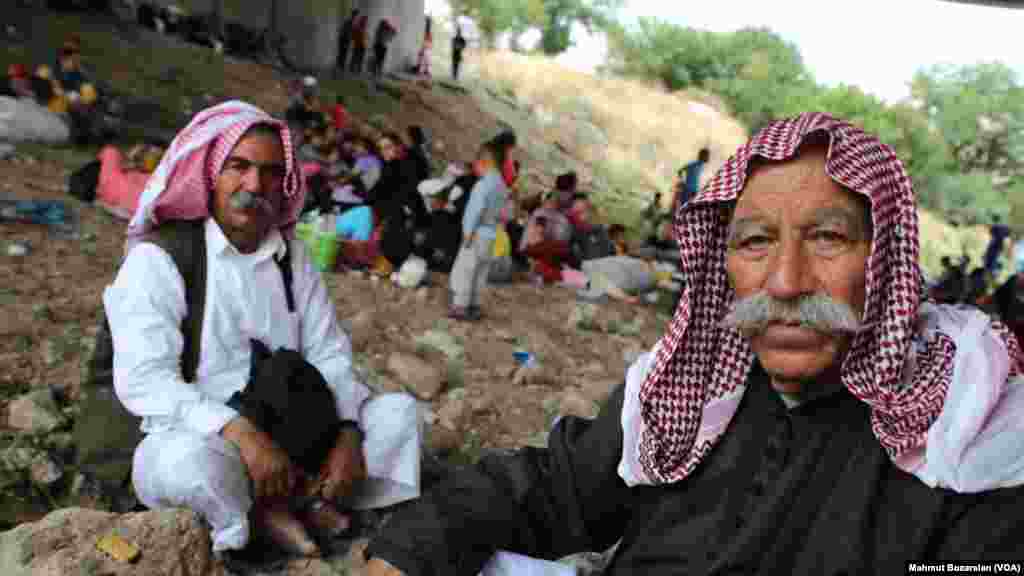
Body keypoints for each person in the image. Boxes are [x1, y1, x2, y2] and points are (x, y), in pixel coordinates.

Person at [362, 112, 1024, 575]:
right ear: (724, 264)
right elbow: (555, 487)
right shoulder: (697, 380)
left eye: (827, 238)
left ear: (886, 265)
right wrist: (415, 544)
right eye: (756, 242)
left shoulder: (968, 425)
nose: (786, 281)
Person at [103, 102, 421, 559]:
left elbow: (329, 353)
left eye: (271, 173)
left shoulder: (292, 258)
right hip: (207, 433)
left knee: (397, 417)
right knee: (183, 465)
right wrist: (241, 434)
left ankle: (298, 500)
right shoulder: (163, 258)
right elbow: (146, 380)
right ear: (212, 173)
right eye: (240, 167)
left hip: (296, 425)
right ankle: (262, 514)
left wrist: (348, 434)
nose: (255, 186)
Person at [449, 140, 509, 321]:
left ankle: (460, 306)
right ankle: (475, 305)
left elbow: (474, 211)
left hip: (476, 234)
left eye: (476, 163)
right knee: (481, 272)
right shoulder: (502, 187)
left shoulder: (482, 185)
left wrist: (467, 233)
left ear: (484, 162)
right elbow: (505, 213)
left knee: (466, 269)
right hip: (491, 235)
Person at [337, 9, 358, 74]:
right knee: (342, 53)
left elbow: (350, 32)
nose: (356, 17)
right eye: (355, 15)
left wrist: (351, 38)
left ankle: (340, 67)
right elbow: (345, 31)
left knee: (343, 53)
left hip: (345, 39)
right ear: (353, 15)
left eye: (356, 15)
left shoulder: (352, 22)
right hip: (344, 39)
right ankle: (339, 67)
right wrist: (347, 37)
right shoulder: (349, 22)